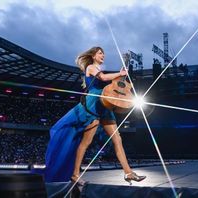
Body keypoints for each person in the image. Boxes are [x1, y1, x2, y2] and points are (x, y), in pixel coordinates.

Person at [42, 46, 145, 185]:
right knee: (86, 142)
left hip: (105, 102)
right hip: (94, 103)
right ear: (93, 56)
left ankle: (128, 173)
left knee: (117, 139)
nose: (103, 55)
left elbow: (116, 82)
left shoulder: (100, 69)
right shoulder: (91, 67)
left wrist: (122, 73)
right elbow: (102, 77)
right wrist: (117, 73)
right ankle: (75, 174)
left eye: (104, 53)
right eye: (100, 53)